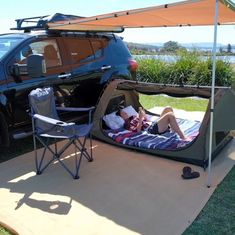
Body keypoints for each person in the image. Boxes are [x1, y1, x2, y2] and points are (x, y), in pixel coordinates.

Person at [118, 106, 186, 140]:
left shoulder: (133, 117)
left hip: (151, 124)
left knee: (168, 108)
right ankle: (183, 137)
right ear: (121, 118)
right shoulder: (127, 124)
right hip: (150, 130)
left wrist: (143, 115)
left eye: (125, 112)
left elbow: (146, 120)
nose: (126, 113)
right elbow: (138, 131)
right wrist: (140, 118)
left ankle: (173, 129)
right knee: (170, 115)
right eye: (123, 114)